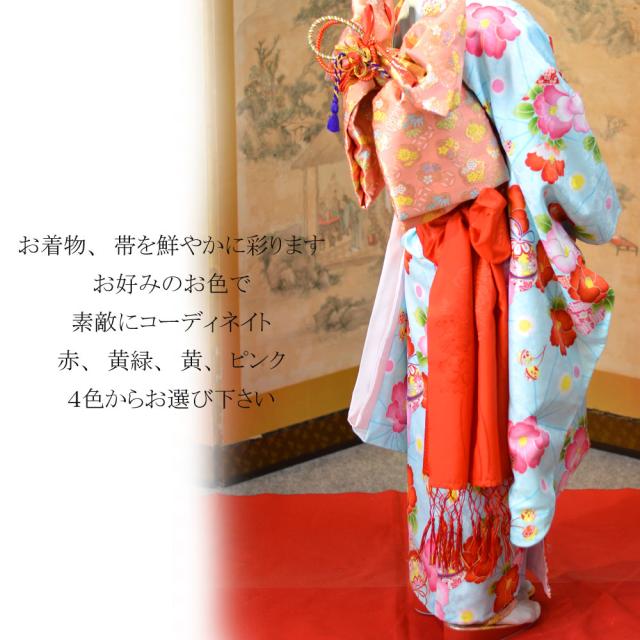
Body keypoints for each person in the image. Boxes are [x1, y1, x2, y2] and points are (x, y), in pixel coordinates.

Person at [308, 0, 621, 635]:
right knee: (490, 404)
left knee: (441, 404)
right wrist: (597, 216)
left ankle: (439, 575)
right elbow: (551, 143)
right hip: (490, 248)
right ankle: (477, 597)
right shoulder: (497, 21)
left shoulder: (408, 6)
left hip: (428, 241)